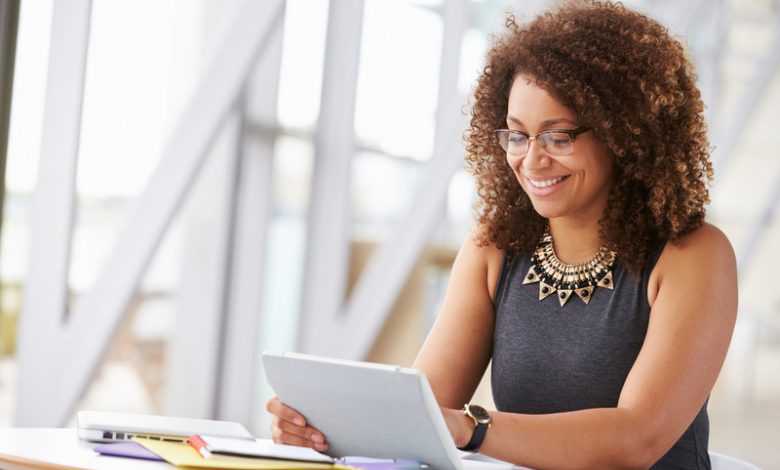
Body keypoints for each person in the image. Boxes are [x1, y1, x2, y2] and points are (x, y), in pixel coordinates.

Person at [266, 1, 738, 468]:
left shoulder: (693, 256)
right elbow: (418, 415)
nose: (532, 161)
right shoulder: (494, 249)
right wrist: (320, 430)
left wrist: (473, 428)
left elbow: (634, 440)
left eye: (558, 136)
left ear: (625, 135)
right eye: (517, 135)